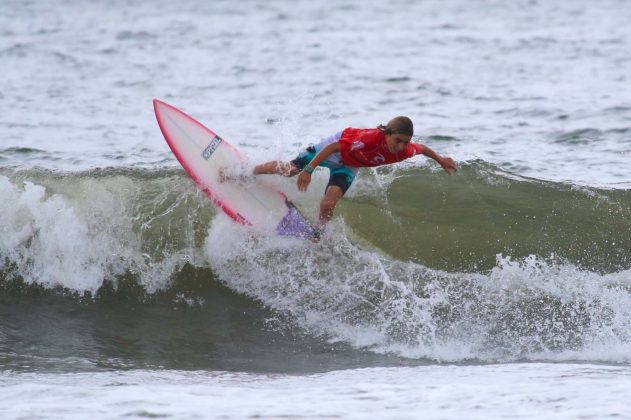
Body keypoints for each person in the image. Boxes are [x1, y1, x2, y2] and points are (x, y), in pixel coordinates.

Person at [227, 116, 457, 235]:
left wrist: (441, 160)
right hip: (337, 148)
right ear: (387, 133)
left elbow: (423, 149)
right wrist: (309, 169)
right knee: (292, 169)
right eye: (398, 140)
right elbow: (333, 148)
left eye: (405, 142)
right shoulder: (367, 139)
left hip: (350, 164)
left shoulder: (405, 150)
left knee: (328, 204)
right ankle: (246, 171)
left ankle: (319, 233)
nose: (401, 146)